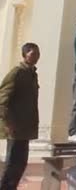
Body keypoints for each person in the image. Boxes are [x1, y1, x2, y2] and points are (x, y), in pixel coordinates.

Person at [0, 43, 40, 190]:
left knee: (21, 163)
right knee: (12, 163)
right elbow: (2, 100)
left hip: (26, 128)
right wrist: (8, 123)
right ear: (25, 55)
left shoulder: (32, 74)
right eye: (32, 53)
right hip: (15, 128)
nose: (36, 56)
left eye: (37, 53)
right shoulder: (17, 73)